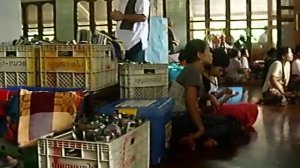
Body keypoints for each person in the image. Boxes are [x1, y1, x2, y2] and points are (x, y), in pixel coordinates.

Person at [169, 40, 248, 150]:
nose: (211, 54)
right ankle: (195, 137)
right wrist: (200, 129)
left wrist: (211, 96)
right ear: (200, 55)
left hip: (183, 119)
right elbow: (191, 104)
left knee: (231, 121)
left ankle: (201, 139)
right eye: (208, 51)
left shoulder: (192, 70)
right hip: (181, 120)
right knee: (231, 126)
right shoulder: (192, 71)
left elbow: (197, 96)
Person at [202, 48, 258, 130]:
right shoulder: (202, 79)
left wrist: (222, 93)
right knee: (245, 110)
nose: (221, 73)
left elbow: (212, 97)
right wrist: (225, 99)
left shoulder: (213, 77)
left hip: (217, 108)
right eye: (220, 70)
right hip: (211, 112)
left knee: (251, 107)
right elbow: (206, 108)